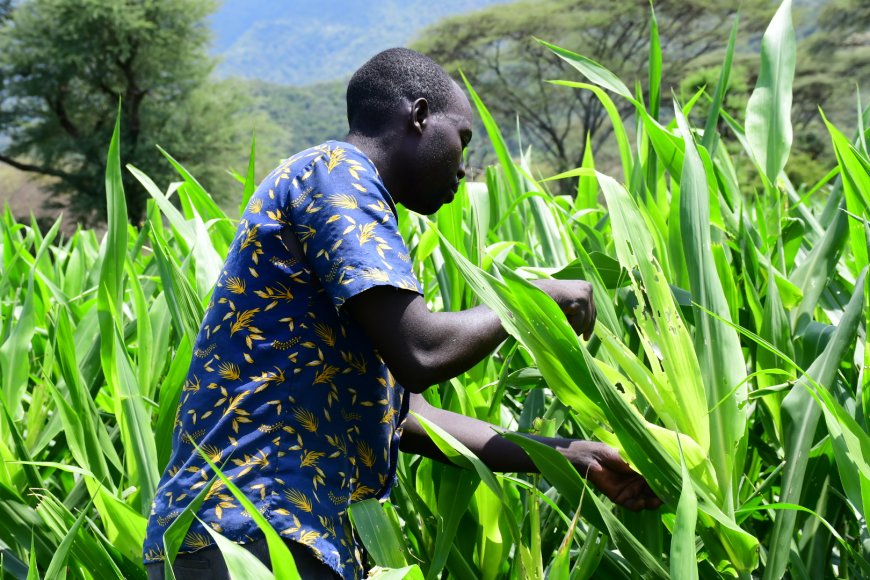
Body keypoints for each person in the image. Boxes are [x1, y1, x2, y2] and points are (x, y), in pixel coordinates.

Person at [143, 47, 659, 580]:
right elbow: (422, 351)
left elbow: (408, 417)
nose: (463, 167)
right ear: (419, 117)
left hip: (258, 537)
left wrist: (576, 458)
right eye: (462, 139)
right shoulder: (337, 173)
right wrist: (534, 300)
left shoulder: (340, 203)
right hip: (251, 533)